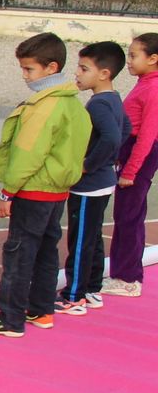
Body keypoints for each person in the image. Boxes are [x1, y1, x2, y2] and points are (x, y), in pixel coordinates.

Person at [0, 34, 92, 337]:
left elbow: (28, 154)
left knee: (18, 254)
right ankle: (42, 309)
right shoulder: (74, 105)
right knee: (46, 252)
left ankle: (10, 318)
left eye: (29, 69)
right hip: (57, 191)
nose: (25, 76)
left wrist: (7, 192)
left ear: (51, 67)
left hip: (33, 190)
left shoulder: (44, 106)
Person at [60, 43, 131, 314]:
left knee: (80, 241)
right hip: (103, 183)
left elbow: (113, 137)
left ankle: (74, 296)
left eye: (83, 68)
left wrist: (88, 165)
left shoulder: (98, 103)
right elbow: (125, 129)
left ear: (104, 73)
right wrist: (109, 159)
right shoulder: (113, 98)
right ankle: (91, 289)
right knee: (92, 237)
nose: (77, 73)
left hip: (89, 185)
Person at [104, 32, 158, 298]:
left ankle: (128, 279)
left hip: (140, 155)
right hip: (130, 152)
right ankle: (122, 273)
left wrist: (131, 171)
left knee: (129, 217)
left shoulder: (154, 89)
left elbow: (147, 135)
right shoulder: (144, 83)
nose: (129, 60)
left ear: (153, 58)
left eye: (134, 55)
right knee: (126, 215)